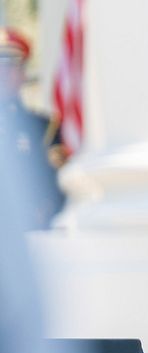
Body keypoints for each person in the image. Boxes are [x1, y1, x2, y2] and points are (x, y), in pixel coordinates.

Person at [0, 27, 65, 228]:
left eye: (10, 65)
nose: (3, 73)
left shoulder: (43, 128)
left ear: (22, 73)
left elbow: (54, 189)